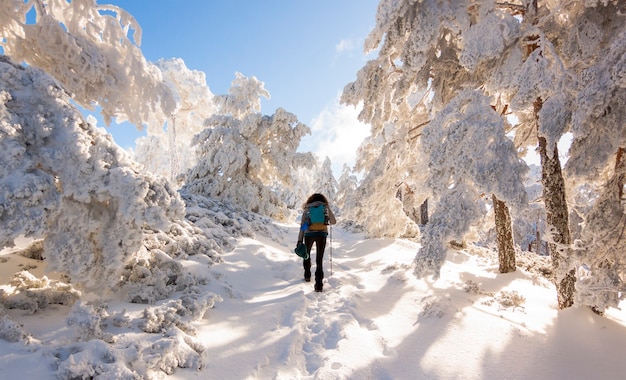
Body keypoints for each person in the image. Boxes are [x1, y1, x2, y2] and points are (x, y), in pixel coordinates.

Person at [297, 193, 336, 292]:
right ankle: (319, 285)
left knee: (307, 255)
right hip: (321, 234)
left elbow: (303, 224)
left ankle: (307, 275)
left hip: (309, 234)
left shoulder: (308, 208)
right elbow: (333, 221)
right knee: (319, 260)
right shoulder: (325, 207)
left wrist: (300, 239)